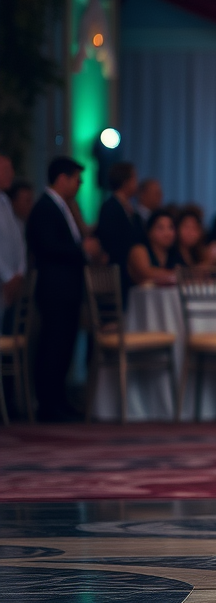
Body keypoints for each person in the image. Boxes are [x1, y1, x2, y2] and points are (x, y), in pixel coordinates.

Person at [25, 156, 102, 422]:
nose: (80, 186)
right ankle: (48, 403)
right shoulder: (46, 208)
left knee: (64, 344)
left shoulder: (64, 207)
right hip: (55, 288)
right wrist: (82, 250)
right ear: (62, 179)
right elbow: (47, 247)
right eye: (77, 180)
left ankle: (59, 399)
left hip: (67, 288)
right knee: (53, 345)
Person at [95, 161, 145, 298]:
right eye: (134, 178)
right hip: (118, 270)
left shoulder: (131, 209)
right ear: (125, 181)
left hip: (132, 269)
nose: (137, 183)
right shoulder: (110, 207)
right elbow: (109, 240)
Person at [0, 154, 26, 333]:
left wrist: (19, 273)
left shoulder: (5, 201)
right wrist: (8, 276)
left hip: (12, 280)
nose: (11, 174)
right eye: (6, 170)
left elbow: (18, 240)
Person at [126, 210, 178, 286]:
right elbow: (146, 273)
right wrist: (177, 275)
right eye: (160, 228)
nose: (167, 233)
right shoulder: (139, 249)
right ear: (149, 232)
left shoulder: (173, 252)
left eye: (171, 227)